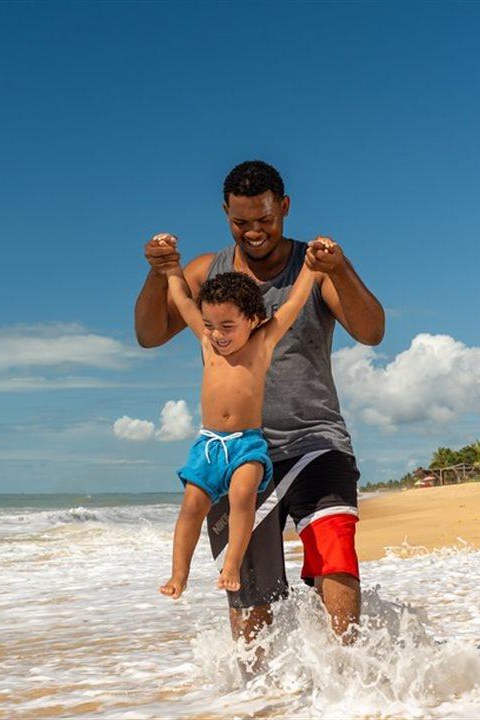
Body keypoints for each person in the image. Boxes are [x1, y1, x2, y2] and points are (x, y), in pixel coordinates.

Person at [134, 160, 385, 643]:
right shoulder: (208, 271)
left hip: (316, 442)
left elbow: (372, 330)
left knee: (335, 560)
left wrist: (339, 267)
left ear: (285, 208)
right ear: (226, 212)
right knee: (251, 603)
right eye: (241, 222)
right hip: (237, 454)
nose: (253, 232)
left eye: (265, 220)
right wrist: (158, 271)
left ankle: (353, 686)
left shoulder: (311, 266)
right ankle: (260, 702)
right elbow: (149, 335)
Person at [157, 236, 332, 598]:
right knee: (191, 506)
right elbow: (182, 299)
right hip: (207, 445)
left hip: (246, 444)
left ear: (252, 320)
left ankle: (233, 563)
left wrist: (312, 268)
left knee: (242, 494)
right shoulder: (207, 340)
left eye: (227, 326)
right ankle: (179, 574)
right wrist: (173, 268)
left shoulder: (262, 343)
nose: (217, 335)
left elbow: (294, 303)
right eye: (210, 325)